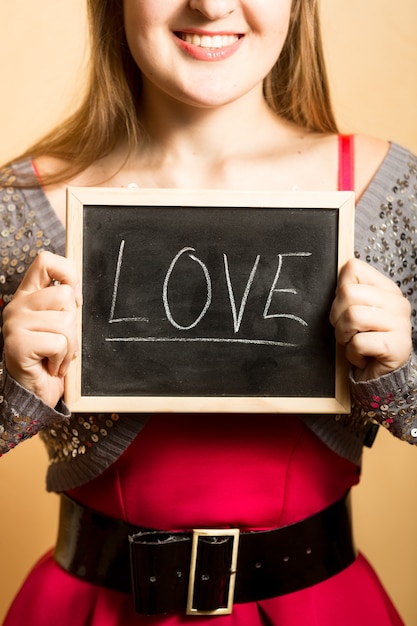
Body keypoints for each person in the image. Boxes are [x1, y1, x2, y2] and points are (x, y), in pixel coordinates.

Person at [0, 0, 416, 624]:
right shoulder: (17, 207)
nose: (213, 4)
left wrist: (399, 375)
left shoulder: (391, 193)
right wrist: (17, 389)